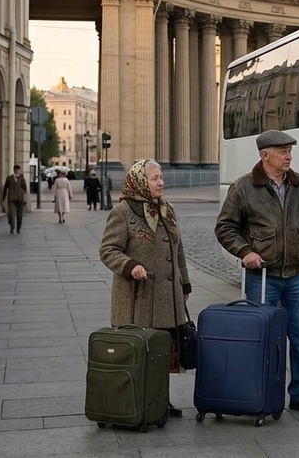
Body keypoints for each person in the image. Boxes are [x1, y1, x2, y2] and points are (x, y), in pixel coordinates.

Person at [215, 129, 299, 415]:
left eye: (289, 151)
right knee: (262, 337)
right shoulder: (243, 188)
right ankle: (260, 393)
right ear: (265, 155)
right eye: (282, 152)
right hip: (262, 277)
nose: (288, 156)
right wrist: (245, 251)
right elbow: (225, 227)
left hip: (298, 275)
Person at [99, 159, 191, 418]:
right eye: (154, 178)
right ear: (140, 182)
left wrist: (184, 283)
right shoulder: (123, 212)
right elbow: (108, 250)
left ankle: (160, 400)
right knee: (141, 352)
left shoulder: (167, 209)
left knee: (163, 352)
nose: (161, 182)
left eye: (161, 177)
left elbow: (178, 250)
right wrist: (130, 266)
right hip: (137, 298)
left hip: (167, 298)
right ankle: (136, 402)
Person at [1, 164, 28, 234]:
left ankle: (18, 228)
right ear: (14, 170)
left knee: (19, 215)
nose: (18, 171)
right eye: (17, 170)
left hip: (20, 199)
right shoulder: (9, 178)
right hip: (11, 199)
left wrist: (24, 196)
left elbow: (24, 187)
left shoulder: (21, 178)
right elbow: (5, 188)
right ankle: (12, 227)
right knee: (11, 213)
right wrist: (3, 198)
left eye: (19, 170)